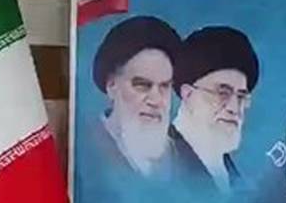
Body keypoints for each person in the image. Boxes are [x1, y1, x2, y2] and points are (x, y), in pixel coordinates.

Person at [169, 25, 259, 193]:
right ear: (188, 94)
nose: (234, 108)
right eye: (222, 93)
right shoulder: (161, 161)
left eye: (241, 96)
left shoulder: (232, 175)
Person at [90, 15, 181, 178]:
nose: (155, 100)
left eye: (164, 86)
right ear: (111, 86)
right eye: (142, 85)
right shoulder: (85, 148)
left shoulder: (184, 156)